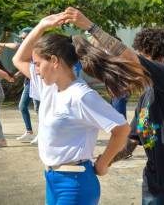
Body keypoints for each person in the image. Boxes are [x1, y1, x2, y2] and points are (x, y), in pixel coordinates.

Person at [61, 7, 164, 204]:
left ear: (160, 61)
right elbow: (130, 143)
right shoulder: (146, 96)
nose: (133, 62)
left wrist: (90, 26)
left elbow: (128, 57)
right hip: (155, 184)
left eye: (142, 56)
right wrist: (101, 162)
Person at [12, 12, 152, 204]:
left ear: (54, 61)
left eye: (37, 64)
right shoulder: (48, 87)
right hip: (52, 179)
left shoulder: (81, 95)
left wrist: (103, 163)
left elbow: (122, 129)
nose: (34, 69)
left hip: (75, 184)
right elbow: (18, 60)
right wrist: (42, 25)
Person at [0, 27, 40, 144]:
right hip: (28, 82)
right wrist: (16, 75)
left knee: (39, 109)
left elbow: (17, 46)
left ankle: (43, 135)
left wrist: (4, 44)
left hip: (37, 82)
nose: (22, 40)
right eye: (21, 38)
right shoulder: (26, 50)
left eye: (24, 38)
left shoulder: (36, 47)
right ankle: (29, 132)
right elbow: (25, 66)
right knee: (22, 106)